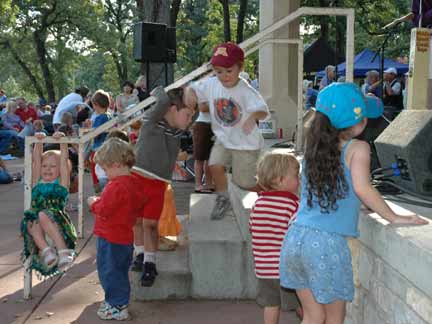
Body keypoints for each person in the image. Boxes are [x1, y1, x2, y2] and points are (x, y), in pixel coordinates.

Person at [279, 83, 428, 324]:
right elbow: (362, 187)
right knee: (335, 318)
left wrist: (353, 205)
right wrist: (394, 217)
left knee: (313, 316)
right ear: (358, 122)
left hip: (296, 239)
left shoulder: (313, 150)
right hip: (326, 246)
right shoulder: (358, 148)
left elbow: (323, 193)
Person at [185, 42, 269, 220]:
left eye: (229, 70)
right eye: (218, 71)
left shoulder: (245, 90)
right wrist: (190, 96)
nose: (223, 76)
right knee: (214, 165)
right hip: (223, 139)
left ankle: (270, 192)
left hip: (246, 143)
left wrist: (251, 116)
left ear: (240, 68)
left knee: (243, 182)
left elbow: (263, 110)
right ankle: (224, 199)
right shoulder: (212, 84)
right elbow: (193, 87)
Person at [131, 86, 195, 287]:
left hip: (158, 185)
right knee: (137, 222)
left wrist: (192, 99)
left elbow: (198, 109)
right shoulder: (152, 123)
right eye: (187, 115)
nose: (191, 120)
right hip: (138, 179)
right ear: (173, 110)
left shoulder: (176, 132)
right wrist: (160, 92)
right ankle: (140, 255)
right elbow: (162, 102)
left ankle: (150, 263)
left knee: (150, 225)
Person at [87, 138, 147, 321]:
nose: (104, 173)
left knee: (109, 271)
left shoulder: (116, 186)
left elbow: (104, 209)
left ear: (115, 164)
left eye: (105, 169)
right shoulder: (134, 182)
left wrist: (93, 203)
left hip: (111, 236)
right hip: (123, 236)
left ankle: (117, 305)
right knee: (118, 270)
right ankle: (116, 301)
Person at [250, 152, 301, 324]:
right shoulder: (292, 205)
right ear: (280, 180)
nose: (299, 180)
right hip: (286, 268)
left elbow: (253, 229)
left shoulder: (258, 204)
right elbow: (297, 235)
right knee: (302, 304)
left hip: (264, 268)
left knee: (271, 304)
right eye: (295, 176)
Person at [21, 131, 77, 277]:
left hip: (56, 219)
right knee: (30, 221)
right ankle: (46, 251)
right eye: (45, 166)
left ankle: (63, 250)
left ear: (60, 170)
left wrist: (62, 142)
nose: (47, 169)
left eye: (53, 166)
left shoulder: (62, 183)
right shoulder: (36, 182)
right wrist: (39, 143)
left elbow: (64, 161)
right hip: (39, 219)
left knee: (42, 214)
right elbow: (36, 161)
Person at [89, 90, 112, 193]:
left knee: (96, 171)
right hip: (108, 147)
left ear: (96, 104)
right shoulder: (109, 116)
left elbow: (95, 133)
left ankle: (99, 193)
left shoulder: (100, 117)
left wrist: (89, 130)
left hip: (98, 147)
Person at [192, 103, 215, 193]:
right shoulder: (204, 90)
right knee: (199, 157)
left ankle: (208, 183)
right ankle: (198, 184)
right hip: (202, 124)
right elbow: (203, 108)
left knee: (210, 158)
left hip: (215, 126)